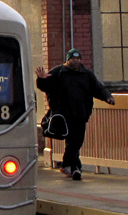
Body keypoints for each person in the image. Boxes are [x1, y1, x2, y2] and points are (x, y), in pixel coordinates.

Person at [35, 48, 114, 181]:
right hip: (64, 115)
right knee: (73, 142)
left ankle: (68, 165)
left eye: (78, 59)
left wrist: (108, 97)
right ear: (68, 59)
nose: (76, 61)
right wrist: (41, 79)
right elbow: (46, 87)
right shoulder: (59, 72)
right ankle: (76, 168)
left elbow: (98, 88)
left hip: (81, 114)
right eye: (73, 59)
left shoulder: (87, 75)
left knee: (75, 142)